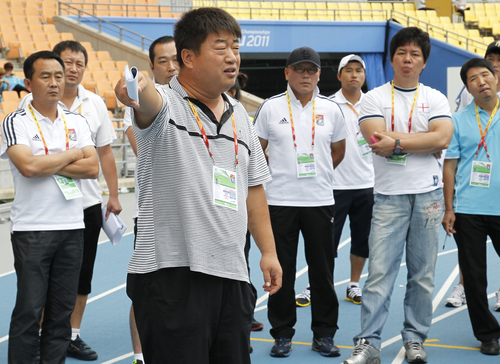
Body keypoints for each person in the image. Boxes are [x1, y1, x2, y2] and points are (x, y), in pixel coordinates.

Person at [115, 7, 282, 363]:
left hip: (232, 272)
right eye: (220, 47)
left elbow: (253, 188)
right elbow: (144, 100)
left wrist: (267, 251)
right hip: (172, 273)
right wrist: (136, 85)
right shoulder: (166, 106)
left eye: (235, 48)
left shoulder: (240, 115)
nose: (232, 57)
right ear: (187, 57)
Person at [343, 27, 454, 364]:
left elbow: (443, 138)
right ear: (392, 59)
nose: (408, 59)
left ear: (423, 62)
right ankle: (370, 343)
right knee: (379, 275)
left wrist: (400, 142)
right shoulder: (373, 97)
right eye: (402, 52)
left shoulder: (434, 97)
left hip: (428, 196)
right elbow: (376, 141)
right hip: (389, 197)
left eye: (415, 54)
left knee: (422, 276)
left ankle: (414, 340)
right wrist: (424, 138)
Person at [18, 40, 122, 361]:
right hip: (43, 208)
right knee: (40, 281)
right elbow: (31, 161)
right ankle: (38, 334)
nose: (72, 70)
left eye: (79, 64)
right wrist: (74, 156)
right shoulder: (26, 109)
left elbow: (101, 156)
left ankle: (71, 335)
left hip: (86, 205)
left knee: (81, 277)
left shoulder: (93, 105)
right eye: (67, 64)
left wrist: (114, 194)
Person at [1, 51, 98, 364]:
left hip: (72, 227)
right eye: (46, 76)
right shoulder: (15, 121)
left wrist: (49, 162)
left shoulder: (77, 120)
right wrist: (71, 154)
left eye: (59, 75)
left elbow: (92, 168)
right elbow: (28, 167)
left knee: (61, 313)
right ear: (28, 82)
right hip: (33, 229)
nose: (55, 82)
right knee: (29, 311)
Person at [254, 46, 347, 358]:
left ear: (319, 74)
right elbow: (258, 151)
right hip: (279, 201)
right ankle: (282, 333)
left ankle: (324, 333)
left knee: (323, 271)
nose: (305, 75)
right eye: (299, 69)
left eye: (311, 70)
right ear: (287, 73)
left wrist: (316, 175)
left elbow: (338, 151)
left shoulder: (332, 109)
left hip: (320, 201)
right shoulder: (270, 107)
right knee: (282, 271)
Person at [123, 34, 180, 364]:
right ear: (151, 66)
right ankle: (140, 355)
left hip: (197, 213)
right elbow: (144, 147)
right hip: (153, 214)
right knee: (144, 292)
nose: (172, 66)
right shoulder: (145, 102)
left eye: (177, 59)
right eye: (163, 61)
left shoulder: (199, 100)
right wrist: (132, 90)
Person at [442, 58, 500, 356]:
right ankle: (488, 334)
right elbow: (450, 167)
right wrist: (449, 208)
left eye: (486, 75)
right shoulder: (458, 119)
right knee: (474, 277)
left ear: (496, 78)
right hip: (468, 210)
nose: (482, 81)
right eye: (474, 78)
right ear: (468, 87)